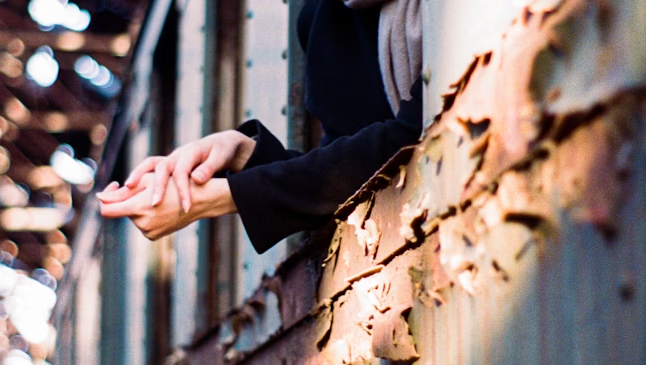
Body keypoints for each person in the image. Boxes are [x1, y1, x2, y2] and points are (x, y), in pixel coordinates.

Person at [97, 0, 423, 254]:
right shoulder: (323, 17)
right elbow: (344, 176)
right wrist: (243, 151)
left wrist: (225, 197)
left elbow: (416, 134)